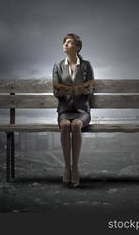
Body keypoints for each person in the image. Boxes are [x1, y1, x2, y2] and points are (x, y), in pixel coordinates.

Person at [52, 33, 94, 188]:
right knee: (65, 125)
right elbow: (55, 90)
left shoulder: (86, 65)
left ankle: (75, 168)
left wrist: (86, 91)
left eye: (69, 43)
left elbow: (91, 88)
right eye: (64, 42)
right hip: (64, 110)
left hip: (82, 111)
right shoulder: (57, 66)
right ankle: (66, 168)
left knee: (75, 125)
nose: (65, 45)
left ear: (77, 47)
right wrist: (61, 92)